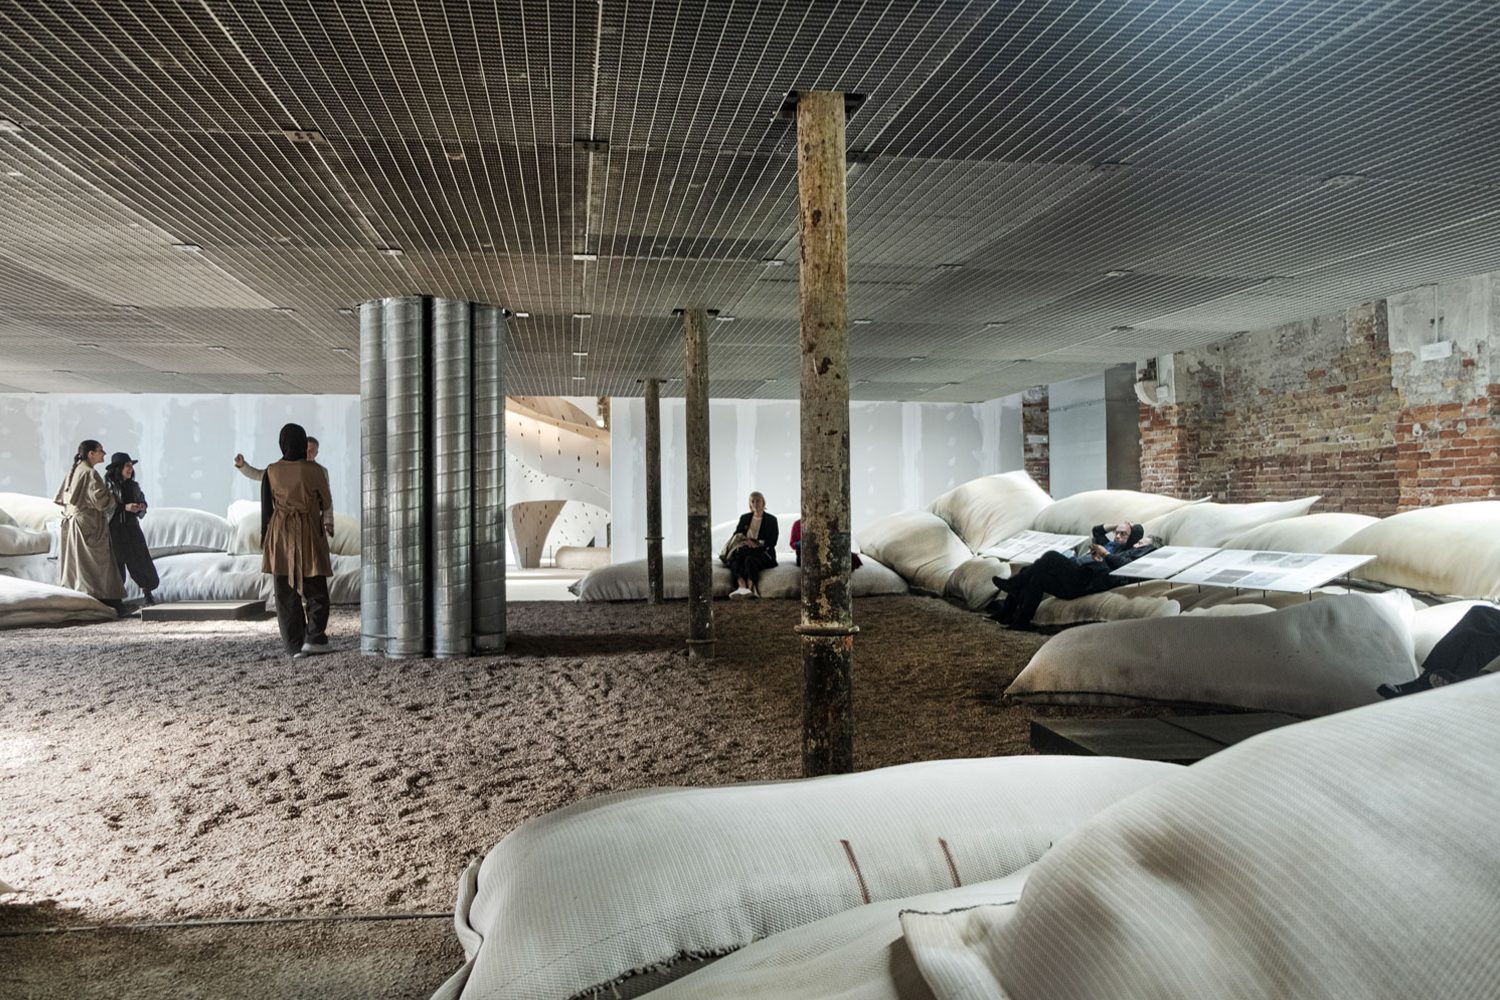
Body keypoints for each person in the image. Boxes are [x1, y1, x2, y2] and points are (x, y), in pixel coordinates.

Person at [987, 522, 1158, 630]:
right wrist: (1116, 527)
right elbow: (1097, 531)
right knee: (1035, 576)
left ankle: (1014, 585)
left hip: (1083, 580)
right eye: (1117, 533)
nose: (1136, 544)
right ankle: (1016, 618)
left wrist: (1104, 554)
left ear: (1145, 548)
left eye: (1140, 542)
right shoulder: (1114, 545)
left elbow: (1124, 562)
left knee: (1051, 556)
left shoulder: (1132, 555)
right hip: (1075, 576)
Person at [261, 423, 335, 659]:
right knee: (316, 590)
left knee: (285, 594)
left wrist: (265, 541)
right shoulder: (314, 470)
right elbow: (326, 501)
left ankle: (294, 645)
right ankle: (314, 638)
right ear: (303, 444)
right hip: (308, 533)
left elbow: (266, 510)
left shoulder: (271, 471)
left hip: (280, 535)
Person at [53, 439, 127, 614]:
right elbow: (101, 501)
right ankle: (106, 603)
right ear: (91, 454)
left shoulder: (75, 471)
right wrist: (114, 497)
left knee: (80, 567)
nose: (104, 454)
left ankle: (87, 603)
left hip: (76, 524)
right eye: (101, 450)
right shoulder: (89, 473)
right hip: (88, 526)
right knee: (97, 566)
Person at [103, 452, 160, 605]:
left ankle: (147, 593)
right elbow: (105, 507)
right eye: (127, 466)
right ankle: (116, 601)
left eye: (131, 466)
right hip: (114, 530)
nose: (130, 469)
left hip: (131, 527)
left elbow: (142, 500)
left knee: (140, 560)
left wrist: (141, 506)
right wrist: (124, 507)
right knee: (116, 564)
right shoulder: (107, 486)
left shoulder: (133, 486)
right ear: (119, 468)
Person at [723, 491, 778, 598]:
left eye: (758, 501)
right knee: (735, 560)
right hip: (745, 549)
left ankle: (750, 587)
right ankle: (742, 586)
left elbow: (772, 541)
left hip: (763, 552)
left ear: (763, 503)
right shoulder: (745, 518)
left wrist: (757, 543)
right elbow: (736, 535)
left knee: (749, 560)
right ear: (750, 504)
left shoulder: (771, 520)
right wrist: (745, 541)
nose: (755, 504)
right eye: (752, 501)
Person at [236, 436, 321, 481]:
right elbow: (258, 475)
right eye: (306, 449)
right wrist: (242, 465)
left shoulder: (321, 473)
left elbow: (325, 499)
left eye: (311, 451)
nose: (307, 453)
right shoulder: (285, 467)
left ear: (316, 453)